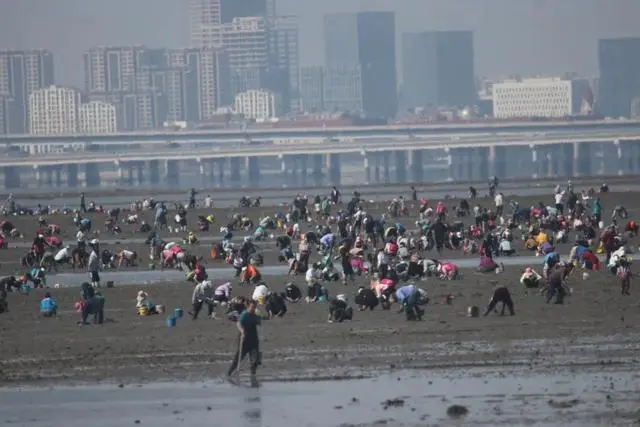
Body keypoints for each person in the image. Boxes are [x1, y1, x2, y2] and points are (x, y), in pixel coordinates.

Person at [227, 300, 262, 379]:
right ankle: (229, 374)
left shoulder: (255, 314)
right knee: (238, 358)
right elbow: (238, 323)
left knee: (255, 359)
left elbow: (259, 322)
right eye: (252, 307)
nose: (253, 309)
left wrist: (258, 318)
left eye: (255, 307)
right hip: (244, 339)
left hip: (254, 339)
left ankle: (253, 375)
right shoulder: (244, 314)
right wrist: (242, 331)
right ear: (248, 306)